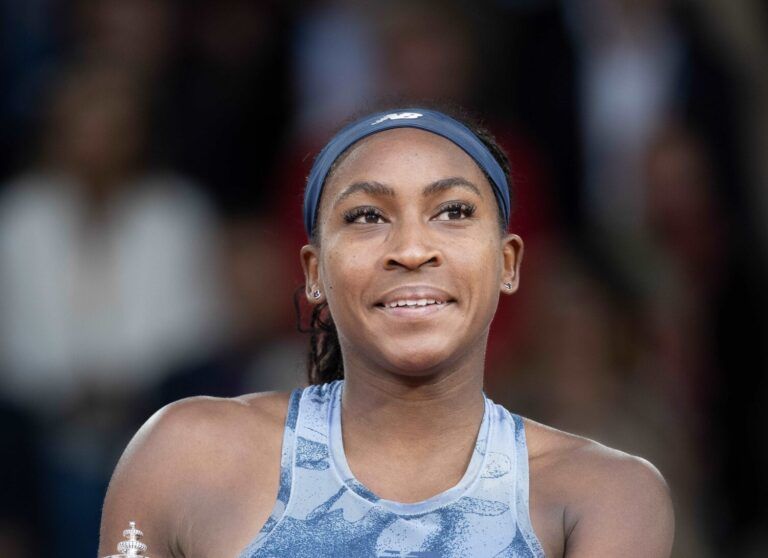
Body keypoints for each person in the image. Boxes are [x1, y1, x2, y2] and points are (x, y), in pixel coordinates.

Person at [98, 107, 674, 557]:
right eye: (367, 216)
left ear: (508, 263)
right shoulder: (183, 454)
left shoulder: (607, 494)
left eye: (452, 211)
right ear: (314, 272)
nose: (412, 249)